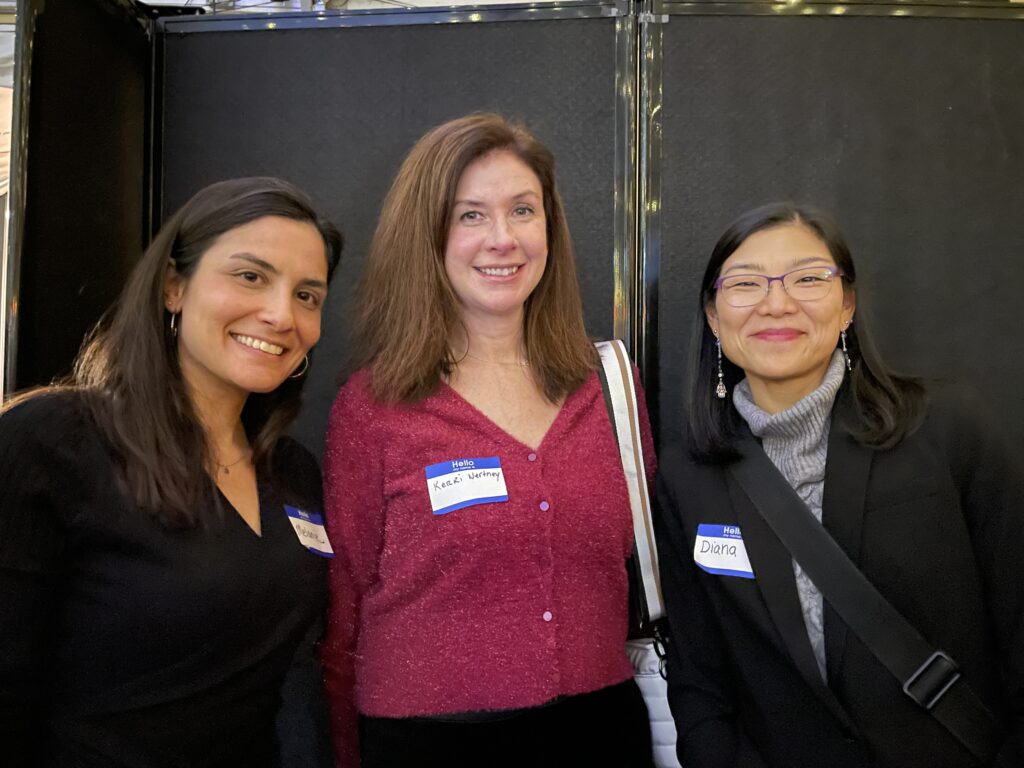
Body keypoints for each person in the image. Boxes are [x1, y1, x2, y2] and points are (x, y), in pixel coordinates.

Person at [320, 113, 657, 767]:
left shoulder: (610, 390)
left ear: (549, 227)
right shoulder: (373, 409)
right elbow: (345, 610)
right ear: (428, 234)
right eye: (470, 215)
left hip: (601, 733)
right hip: (430, 744)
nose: (502, 239)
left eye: (522, 210)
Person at [655, 202, 1024, 767]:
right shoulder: (687, 477)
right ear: (712, 315)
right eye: (747, 284)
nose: (777, 303)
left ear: (847, 305)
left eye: (808, 278)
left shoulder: (947, 431)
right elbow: (698, 678)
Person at [0, 177, 343, 766]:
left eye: (308, 295)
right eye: (250, 276)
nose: (282, 314)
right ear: (173, 287)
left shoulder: (293, 473)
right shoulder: (54, 439)